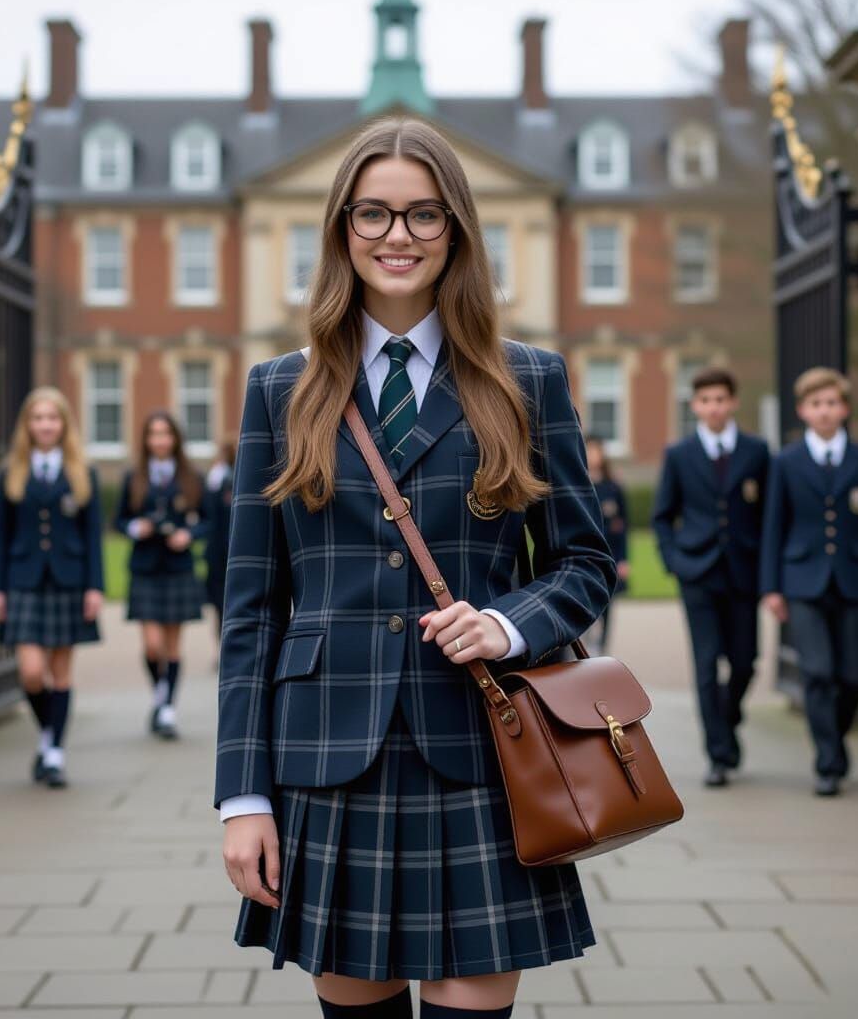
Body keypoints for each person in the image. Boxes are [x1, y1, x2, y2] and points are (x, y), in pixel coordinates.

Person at [216, 117, 617, 1019]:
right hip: (325, 759)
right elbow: (249, 609)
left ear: (457, 231)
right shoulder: (280, 390)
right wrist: (243, 796)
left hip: (478, 746)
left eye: (424, 215)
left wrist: (509, 621)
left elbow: (586, 560)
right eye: (374, 214)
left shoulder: (528, 381)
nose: (397, 236)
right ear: (342, 229)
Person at [760, 367, 858, 797]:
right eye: (816, 404)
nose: (825, 411)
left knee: (854, 675)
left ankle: (834, 741)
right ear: (803, 410)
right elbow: (773, 527)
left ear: (846, 409)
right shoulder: (785, 462)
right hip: (802, 580)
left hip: (854, 580)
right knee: (817, 672)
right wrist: (772, 587)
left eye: (832, 403)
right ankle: (827, 763)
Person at [652, 367, 769, 788]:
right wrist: (674, 561)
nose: (714, 407)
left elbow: (769, 516)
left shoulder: (757, 451)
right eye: (705, 400)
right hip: (697, 573)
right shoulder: (679, 455)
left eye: (721, 399)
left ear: (733, 402)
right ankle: (718, 756)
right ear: (695, 406)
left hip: (744, 572)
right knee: (705, 664)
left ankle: (728, 711)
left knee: (745, 662)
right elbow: (663, 516)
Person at [0, 386, 104, 789]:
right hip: (23, 581)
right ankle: (46, 734)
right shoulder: (10, 473)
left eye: (52, 418)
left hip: (69, 581)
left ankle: (54, 752)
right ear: (28, 425)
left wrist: (95, 587)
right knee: (32, 673)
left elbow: (93, 537)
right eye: (37, 418)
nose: (45, 425)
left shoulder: (82, 473)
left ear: (63, 424)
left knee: (60, 672)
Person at [114, 411, 209, 740]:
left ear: (175, 439)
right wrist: (133, 527)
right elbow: (118, 520)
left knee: (172, 646)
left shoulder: (192, 478)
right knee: (152, 646)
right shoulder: (134, 477)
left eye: (165, 434)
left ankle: (167, 707)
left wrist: (190, 534)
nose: (159, 441)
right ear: (146, 440)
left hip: (178, 567)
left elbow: (209, 522)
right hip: (145, 567)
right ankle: (160, 694)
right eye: (153, 435)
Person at [583, 435, 629, 655]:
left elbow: (622, 527)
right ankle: (584, 647)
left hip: (609, 557)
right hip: (583, 558)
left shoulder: (613, 487)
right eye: (589, 450)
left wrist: (624, 559)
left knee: (608, 608)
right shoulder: (577, 483)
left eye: (597, 451)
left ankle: (602, 647)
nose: (594, 456)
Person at [204, 438, 237, 636]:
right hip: (219, 552)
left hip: (223, 550)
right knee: (221, 605)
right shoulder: (218, 479)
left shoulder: (219, 478)